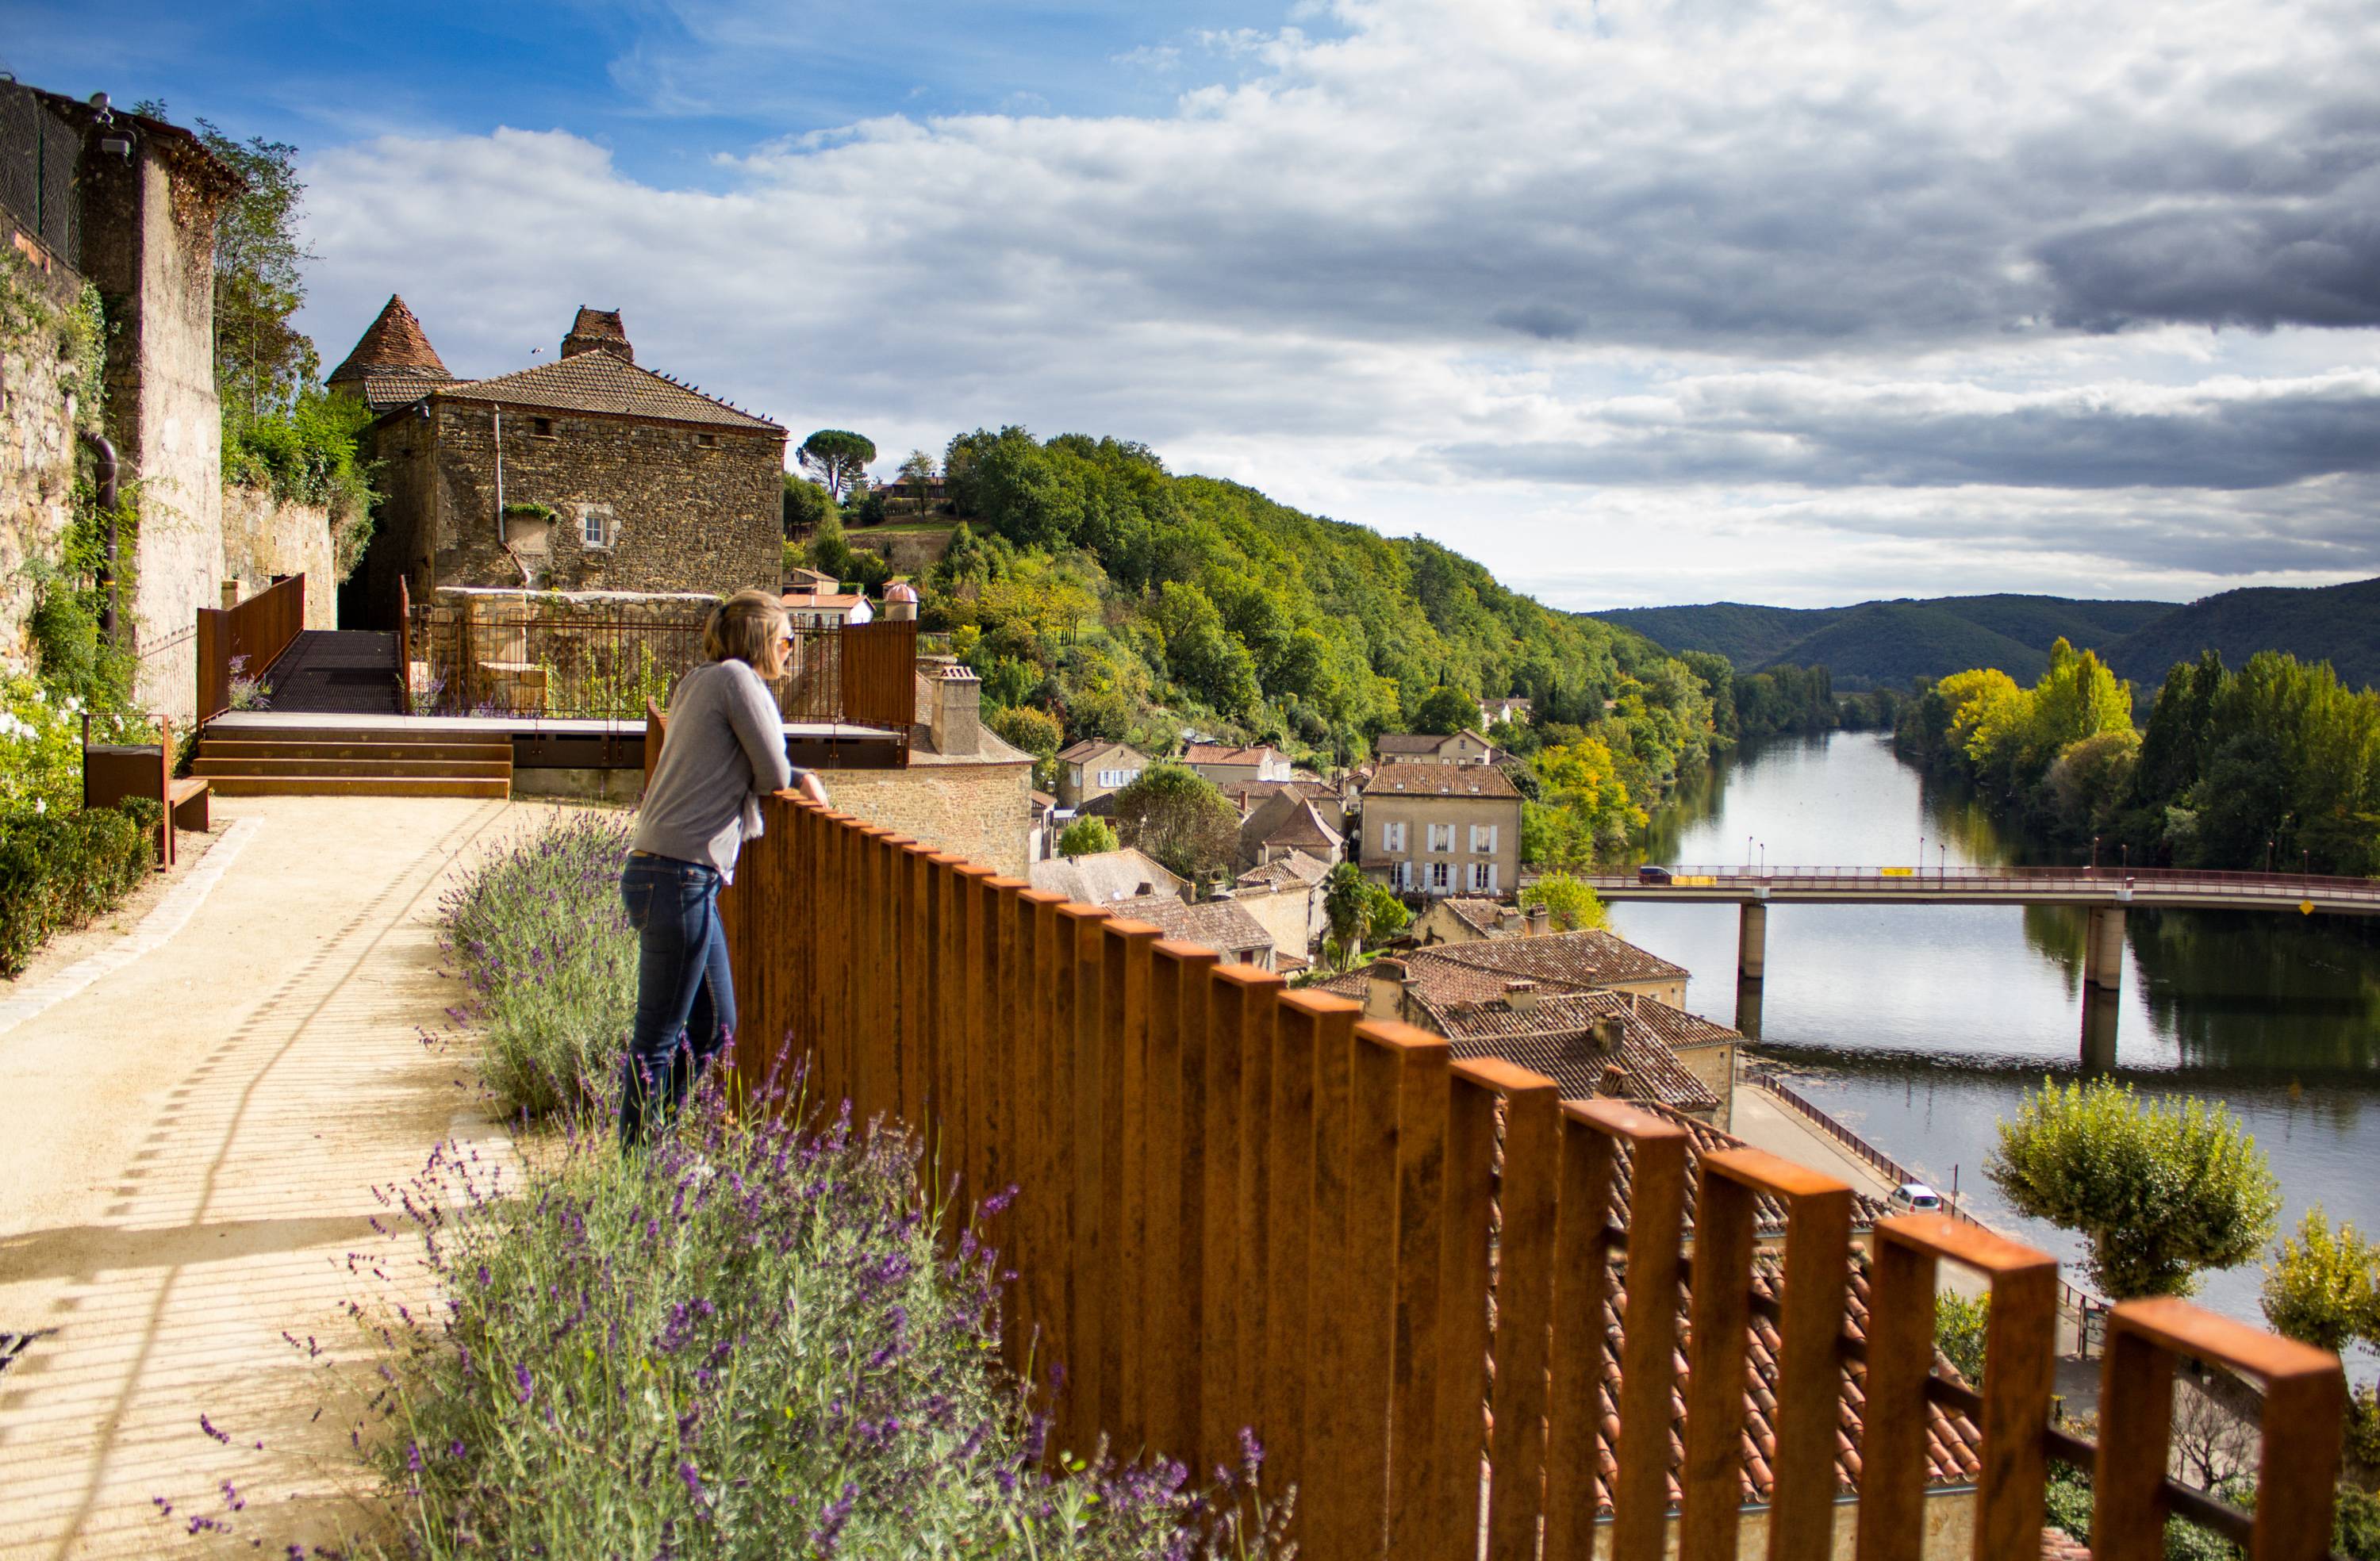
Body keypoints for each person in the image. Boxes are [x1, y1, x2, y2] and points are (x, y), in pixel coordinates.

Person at [620, 589, 827, 1145]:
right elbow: (770, 773)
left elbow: (742, 762)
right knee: (657, 1040)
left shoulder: (698, 681)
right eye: (787, 640)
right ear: (763, 639)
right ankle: (634, 1169)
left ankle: (656, 1142)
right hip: (679, 877)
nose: (791, 651)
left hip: (667, 873)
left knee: (713, 1026)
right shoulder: (739, 681)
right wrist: (799, 777)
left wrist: (793, 774)